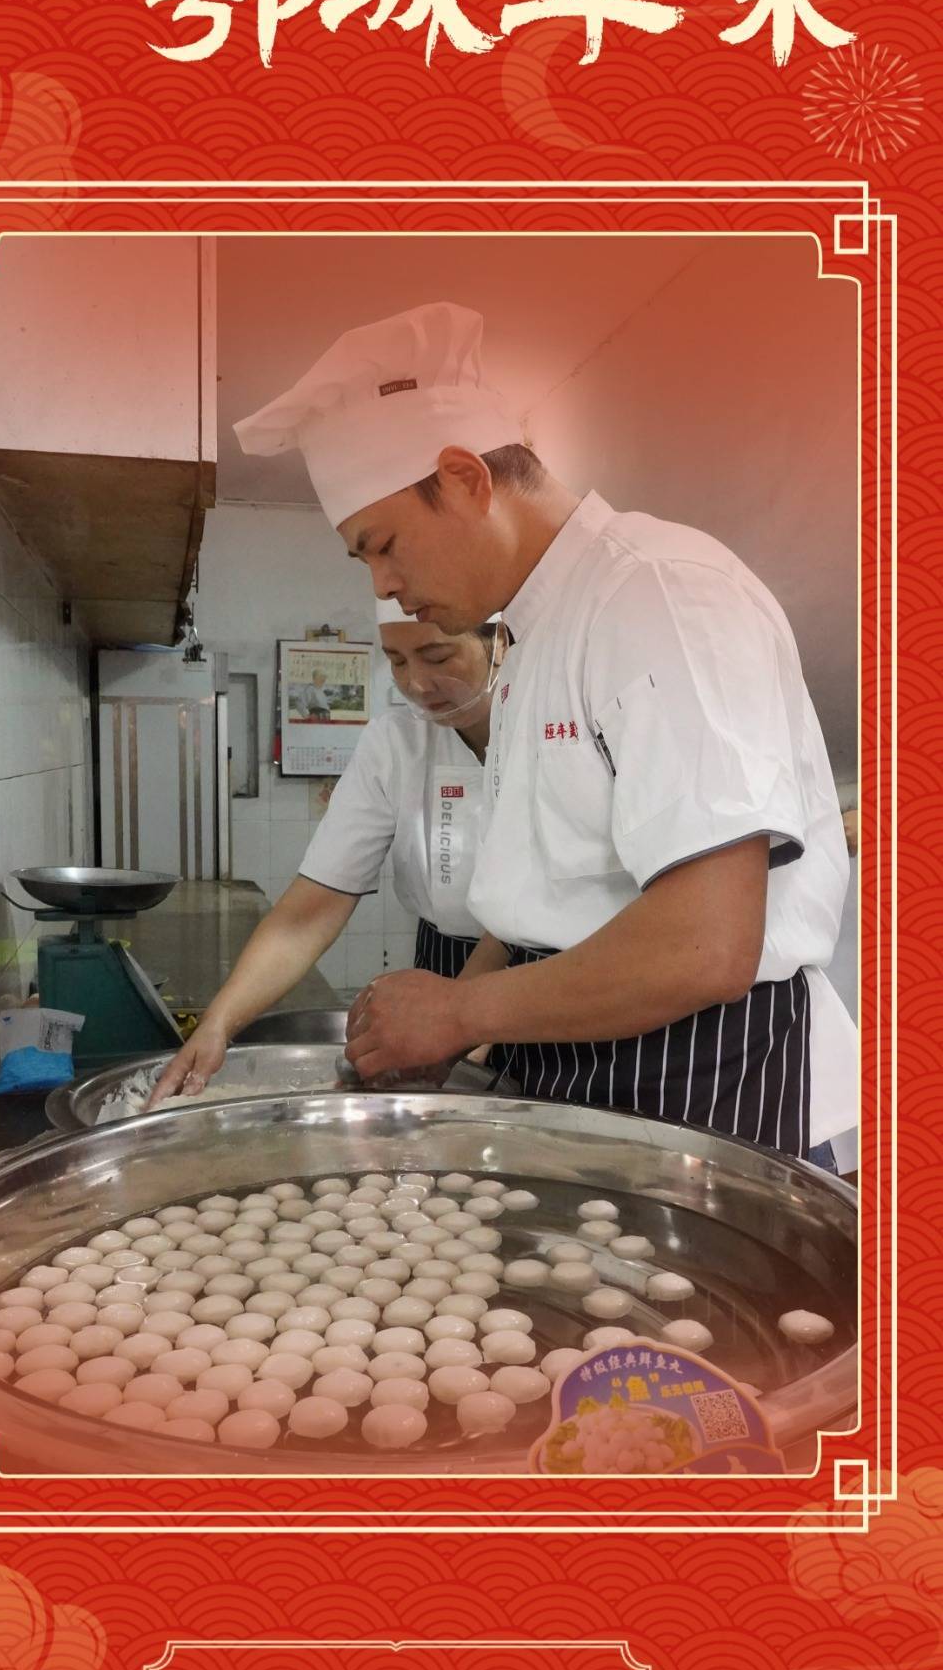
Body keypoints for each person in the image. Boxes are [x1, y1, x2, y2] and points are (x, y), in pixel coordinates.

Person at [232, 299, 858, 1162]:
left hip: (702, 1085)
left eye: (384, 544)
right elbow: (546, 899)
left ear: (465, 478)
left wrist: (458, 1010)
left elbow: (706, 944)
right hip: (572, 1074)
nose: (384, 584)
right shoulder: (533, 640)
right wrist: (453, 1033)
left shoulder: (657, 594)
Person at [146, 606, 502, 1106]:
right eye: (397, 661)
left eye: (437, 657)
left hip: (544, 975)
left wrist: (463, 1022)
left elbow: (519, 921)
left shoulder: (546, 732)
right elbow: (311, 908)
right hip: (437, 969)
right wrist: (218, 1024)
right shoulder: (395, 741)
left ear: (499, 643)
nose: (418, 684)